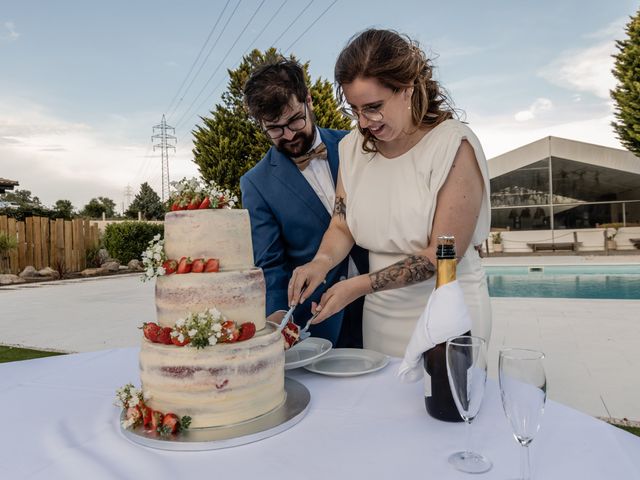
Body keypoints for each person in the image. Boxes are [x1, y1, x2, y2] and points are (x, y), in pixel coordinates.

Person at [288, 29, 492, 357]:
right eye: (355, 110)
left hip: (448, 306)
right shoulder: (352, 148)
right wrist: (320, 263)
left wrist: (360, 285)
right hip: (381, 315)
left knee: (445, 404)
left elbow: (443, 255)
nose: (364, 122)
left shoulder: (453, 146)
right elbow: (341, 225)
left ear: (407, 89)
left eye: (373, 107)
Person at [240, 59, 368, 347]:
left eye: (295, 120)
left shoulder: (356, 145)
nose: (288, 135)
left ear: (308, 100)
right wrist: (277, 319)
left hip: (382, 301)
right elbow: (270, 263)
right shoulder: (255, 184)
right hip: (319, 319)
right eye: (274, 129)